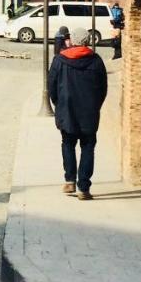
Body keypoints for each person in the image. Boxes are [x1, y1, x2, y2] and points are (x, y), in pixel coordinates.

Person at [47, 26, 108, 200]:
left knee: (67, 144)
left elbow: (52, 86)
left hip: (67, 110)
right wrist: (95, 105)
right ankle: (83, 187)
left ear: (72, 41)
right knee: (88, 148)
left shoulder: (59, 60)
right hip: (89, 112)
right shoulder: (96, 61)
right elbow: (103, 88)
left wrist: (58, 104)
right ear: (88, 41)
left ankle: (70, 180)